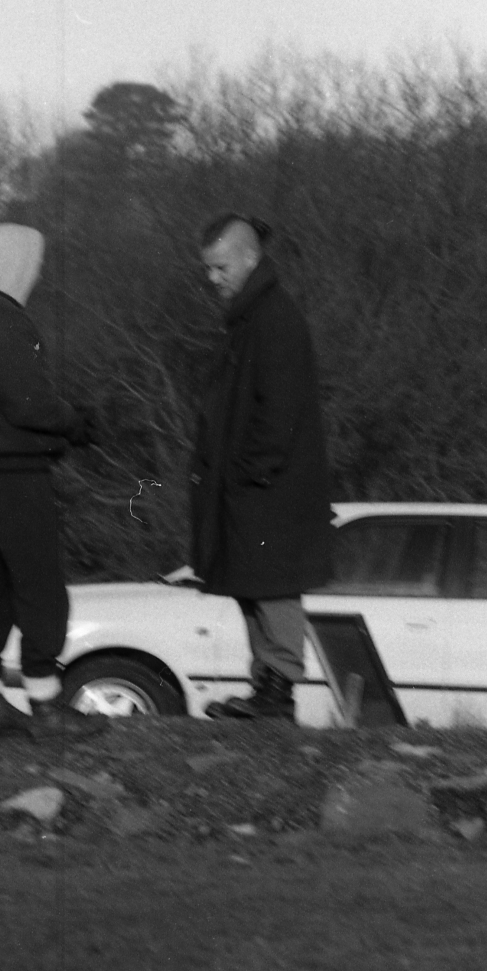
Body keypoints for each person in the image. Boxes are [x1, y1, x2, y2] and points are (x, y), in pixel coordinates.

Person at [0, 223, 105, 740]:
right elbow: (29, 404)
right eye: (32, 262)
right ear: (17, 264)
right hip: (16, 477)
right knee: (41, 590)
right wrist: (78, 424)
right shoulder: (4, 319)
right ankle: (45, 703)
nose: (35, 272)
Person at [191, 212, 333, 721]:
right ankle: (267, 687)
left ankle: (277, 687)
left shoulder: (272, 319)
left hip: (266, 486)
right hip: (253, 484)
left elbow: (280, 410)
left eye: (221, 267)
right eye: (209, 269)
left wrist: (249, 471)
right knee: (255, 587)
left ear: (250, 258)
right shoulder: (254, 317)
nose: (213, 279)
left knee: (272, 588)